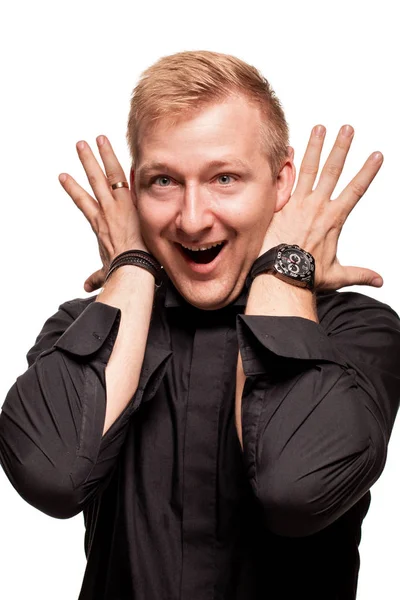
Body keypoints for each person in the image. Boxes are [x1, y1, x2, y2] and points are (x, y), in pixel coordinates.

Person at [0, 50, 399, 600]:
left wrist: (284, 267)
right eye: (163, 181)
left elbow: (296, 488)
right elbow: (51, 475)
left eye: (225, 178)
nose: (191, 219)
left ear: (281, 182)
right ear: (134, 191)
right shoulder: (83, 323)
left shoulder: (357, 331)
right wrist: (133, 266)